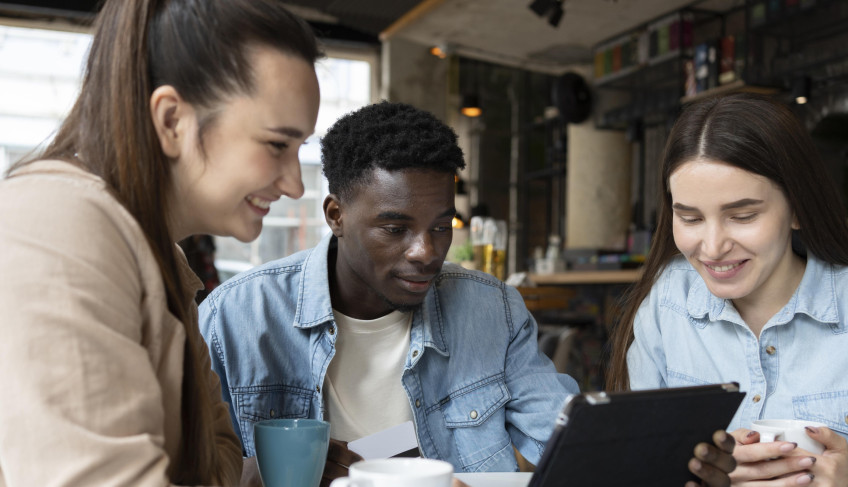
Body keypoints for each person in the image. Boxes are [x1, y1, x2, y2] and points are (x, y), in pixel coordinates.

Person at [198, 101, 736, 487]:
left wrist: (660, 461)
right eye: (394, 228)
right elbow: (179, 467)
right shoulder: (238, 318)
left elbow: (562, 439)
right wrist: (253, 476)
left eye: (440, 225)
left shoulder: (492, 310)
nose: (425, 252)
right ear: (335, 215)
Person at [0, 0, 321, 485]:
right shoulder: (57, 224)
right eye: (277, 144)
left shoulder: (159, 255)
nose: (296, 185)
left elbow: (217, 461)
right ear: (172, 121)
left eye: (300, 151)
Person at [606, 93, 848, 485]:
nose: (714, 246)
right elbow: (632, 469)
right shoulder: (669, 303)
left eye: (743, 215)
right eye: (690, 217)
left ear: (798, 208)